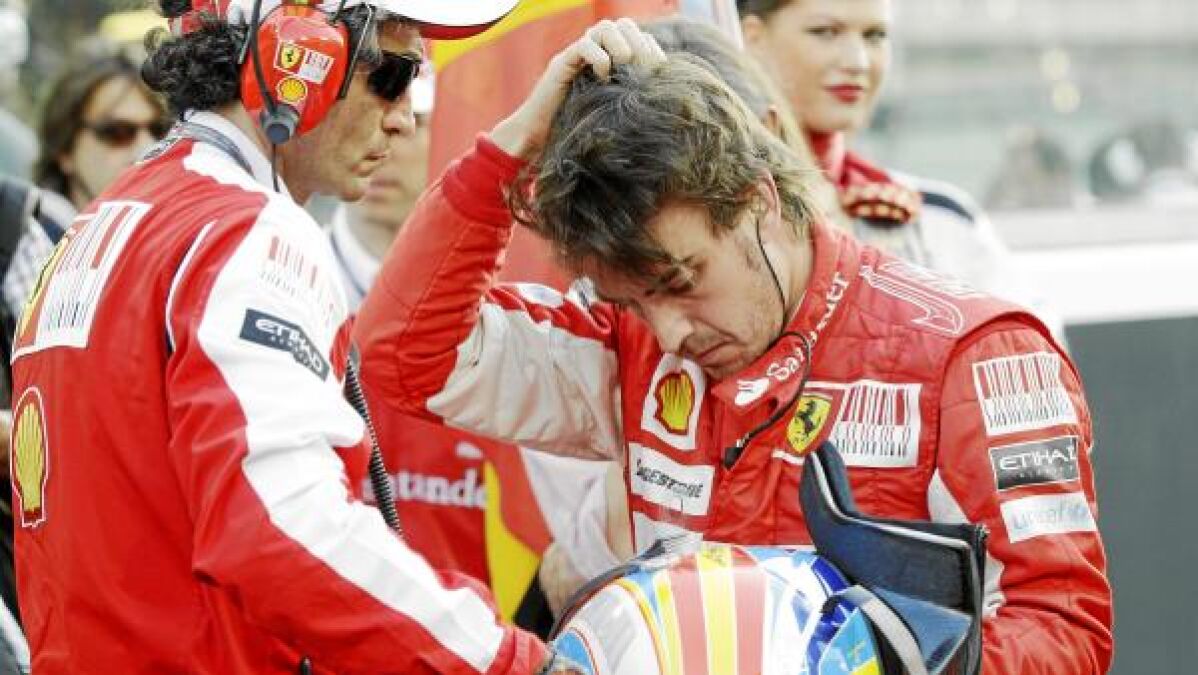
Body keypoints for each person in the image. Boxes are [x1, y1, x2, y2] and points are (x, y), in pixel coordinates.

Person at [354, 20, 1113, 674]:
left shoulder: (978, 355)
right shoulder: (628, 345)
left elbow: (1062, 628)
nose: (668, 332)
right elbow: (402, 354)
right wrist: (509, 149)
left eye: (682, 280)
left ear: (759, 199)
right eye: (631, 300)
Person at [8, 0, 662, 671]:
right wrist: (514, 661)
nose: (404, 117)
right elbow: (285, 527)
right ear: (294, 54)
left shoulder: (99, 225)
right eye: (393, 75)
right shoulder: (243, 229)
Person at [735, 0, 1064, 337]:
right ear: (752, 37)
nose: (858, 62)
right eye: (825, 32)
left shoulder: (941, 219)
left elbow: (1033, 352)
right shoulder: (722, 222)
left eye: (874, 36)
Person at [32, 49, 170, 216]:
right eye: (118, 132)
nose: (148, 148)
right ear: (65, 150)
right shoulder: (24, 227)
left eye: (160, 131)